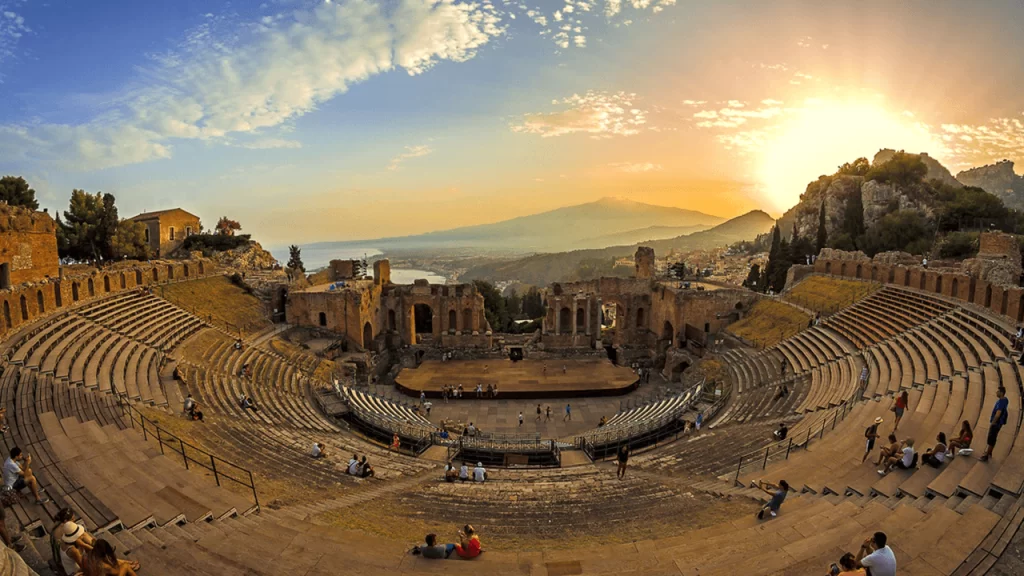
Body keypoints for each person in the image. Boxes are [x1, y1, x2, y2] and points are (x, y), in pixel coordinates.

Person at [981, 386, 1009, 462]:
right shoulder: (1005, 400)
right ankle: (990, 452)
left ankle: (986, 456)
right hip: (999, 424)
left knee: (991, 439)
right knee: (993, 438)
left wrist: (992, 423)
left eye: (998, 391)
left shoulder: (1001, 403)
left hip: (996, 424)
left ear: (1001, 393)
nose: (996, 392)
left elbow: (998, 414)